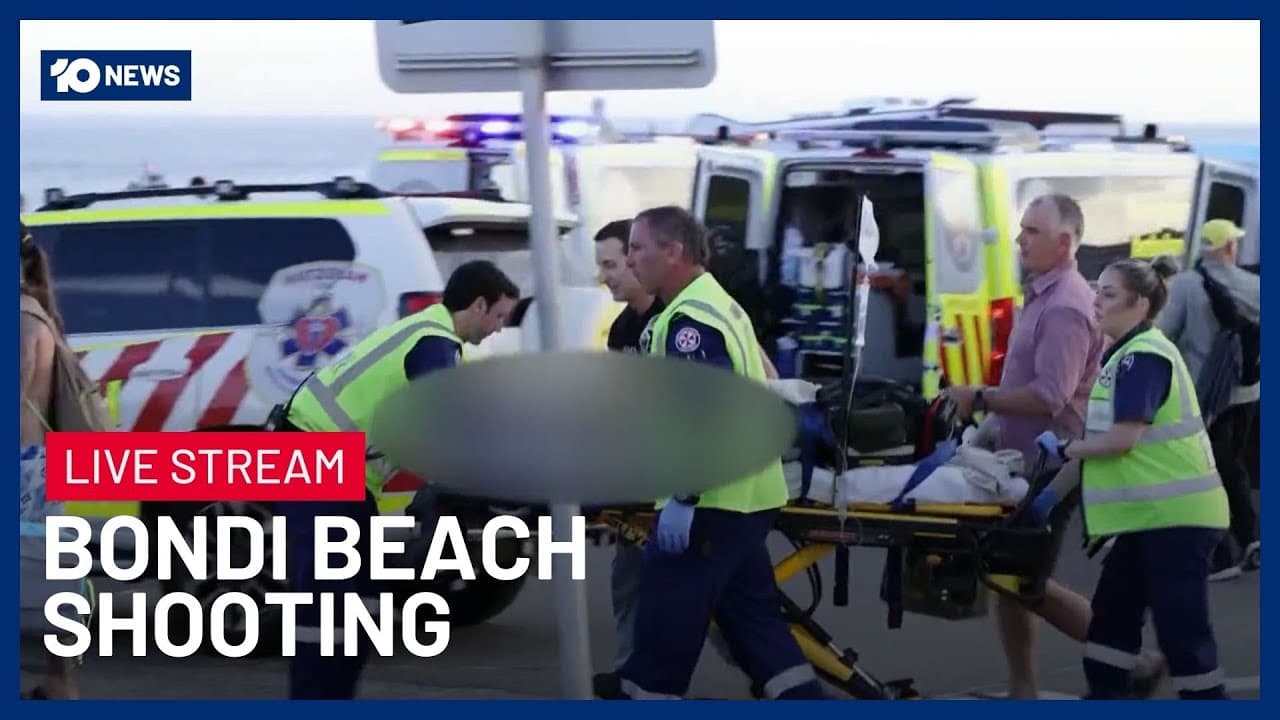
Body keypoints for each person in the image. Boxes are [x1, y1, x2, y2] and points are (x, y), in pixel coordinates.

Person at [943, 194, 1163, 699]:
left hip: (1052, 467)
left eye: (1030, 232)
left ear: (1065, 243)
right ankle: (1025, 688)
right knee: (1011, 578)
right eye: (1022, 229)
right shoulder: (1044, 295)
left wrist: (975, 396)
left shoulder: (1065, 305)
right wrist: (985, 428)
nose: (1019, 239)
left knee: (1025, 583)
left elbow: (1049, 395)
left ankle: (1136, 661)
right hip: (1027, 461)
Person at [274, 259, 519, 699]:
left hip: (331, 470)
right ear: (479, 305)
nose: (500, 328)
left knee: (352, 591)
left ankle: (330, 693)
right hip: (321, 464)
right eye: (500, 316)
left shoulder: (425, 333)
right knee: (335, 595)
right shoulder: (434, 341)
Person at [614, 205, 826, 700]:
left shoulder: (691, 320)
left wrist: (686, 497)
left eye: (637, 248)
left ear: (673, 252)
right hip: (745, 500)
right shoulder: (714, 304)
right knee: (758, 633)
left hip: (712, 506)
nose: (630, 260)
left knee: (662, 639)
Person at [1028, 258, 1231, 700]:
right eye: (1097, 290)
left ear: (1139, 304)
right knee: (1112, 620)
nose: (1096, 301)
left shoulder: (1142, 357)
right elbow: (1096, 442)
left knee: (1182, 632)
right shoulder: (1121, 355)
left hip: (1177, 520)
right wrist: (1045, 497)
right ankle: (1105, 695)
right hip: (1148, 519)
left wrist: (1065, 449)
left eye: (1107, 293)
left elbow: (1121, 440)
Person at [1156, 219, 1260, 581]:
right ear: (1229, 248)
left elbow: (1164, 334)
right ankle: (1250, 539)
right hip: (1247, 391)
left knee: (1204, 471)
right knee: (1231, 464)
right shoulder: (1254, 285)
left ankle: (1221, 554)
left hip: (1205, 396)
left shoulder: (1187, 284)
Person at [19, 223, 94, 699]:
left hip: (22, 467)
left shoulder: (23, 317)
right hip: (38, 465)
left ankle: (58, 684)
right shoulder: (34, 310)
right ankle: (57, 683)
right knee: (49, 571)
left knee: (41, 572)